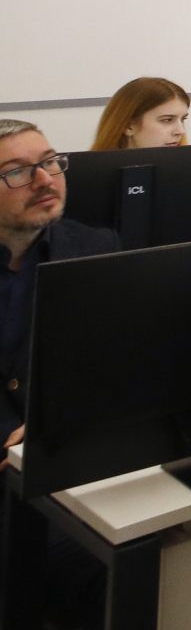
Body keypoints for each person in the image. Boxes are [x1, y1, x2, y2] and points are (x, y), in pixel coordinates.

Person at [2, 122, 121, 445]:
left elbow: (110, 362)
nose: (44, 180)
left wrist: (52, 423)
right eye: (16, 172)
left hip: (63, 446)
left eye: (50, 162)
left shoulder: (96, 248)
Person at [90, 76, 190, 150]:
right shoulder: (88, 171)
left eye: (183, 119)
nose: (181, 131)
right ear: (128, 126)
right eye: (167, 120)